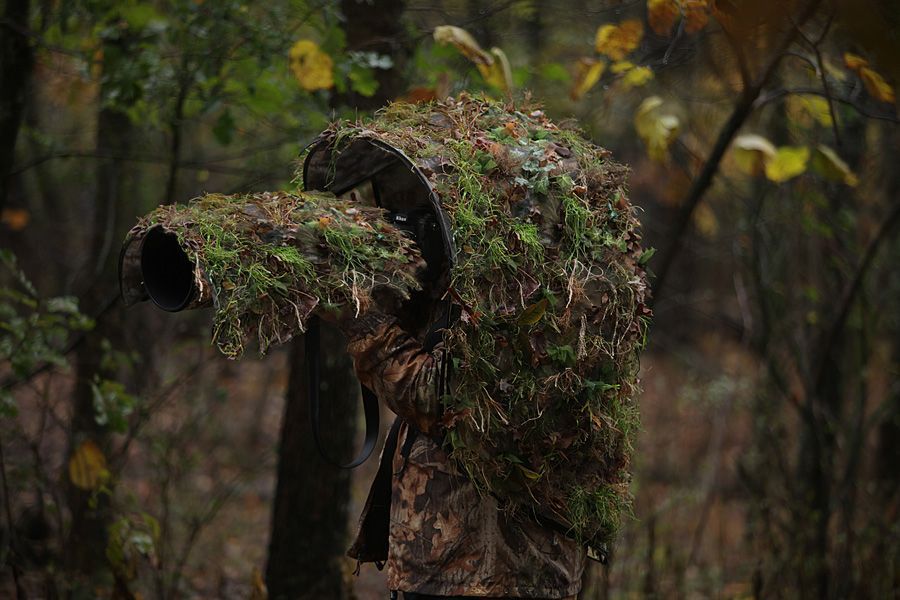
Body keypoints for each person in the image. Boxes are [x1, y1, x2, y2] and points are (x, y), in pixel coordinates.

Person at [332, 302, 587, 600]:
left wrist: (358, 317)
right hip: (529, 561)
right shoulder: (581, 274)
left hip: (472, 561)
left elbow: (437, 397)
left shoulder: (510, 283)